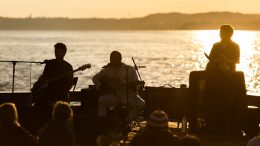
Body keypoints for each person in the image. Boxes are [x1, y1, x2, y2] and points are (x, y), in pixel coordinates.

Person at [92, 51, 145, 120]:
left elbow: (135, 84)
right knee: (101, 100)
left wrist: (134, 86)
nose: (113, 62)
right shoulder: (107, 69)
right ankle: (103, 122)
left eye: (115, 60)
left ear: (120, 59)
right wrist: (102, 88)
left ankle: (126, 120)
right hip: (113, 95)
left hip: (127, 95)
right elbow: (95, 78)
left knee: (141, 104)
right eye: (112, 60)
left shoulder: (129, 69)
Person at [32, 42, 73, 113]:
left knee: (43, 99)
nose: (56, 53)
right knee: (39, 97)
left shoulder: (68, 67)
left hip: (60, 93)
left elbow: (69, 85)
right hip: (48, 90)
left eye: (58, 52)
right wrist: (38, 84)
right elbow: (44, 77)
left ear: (64, 53)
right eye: (55, 51)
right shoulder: (50, 64)